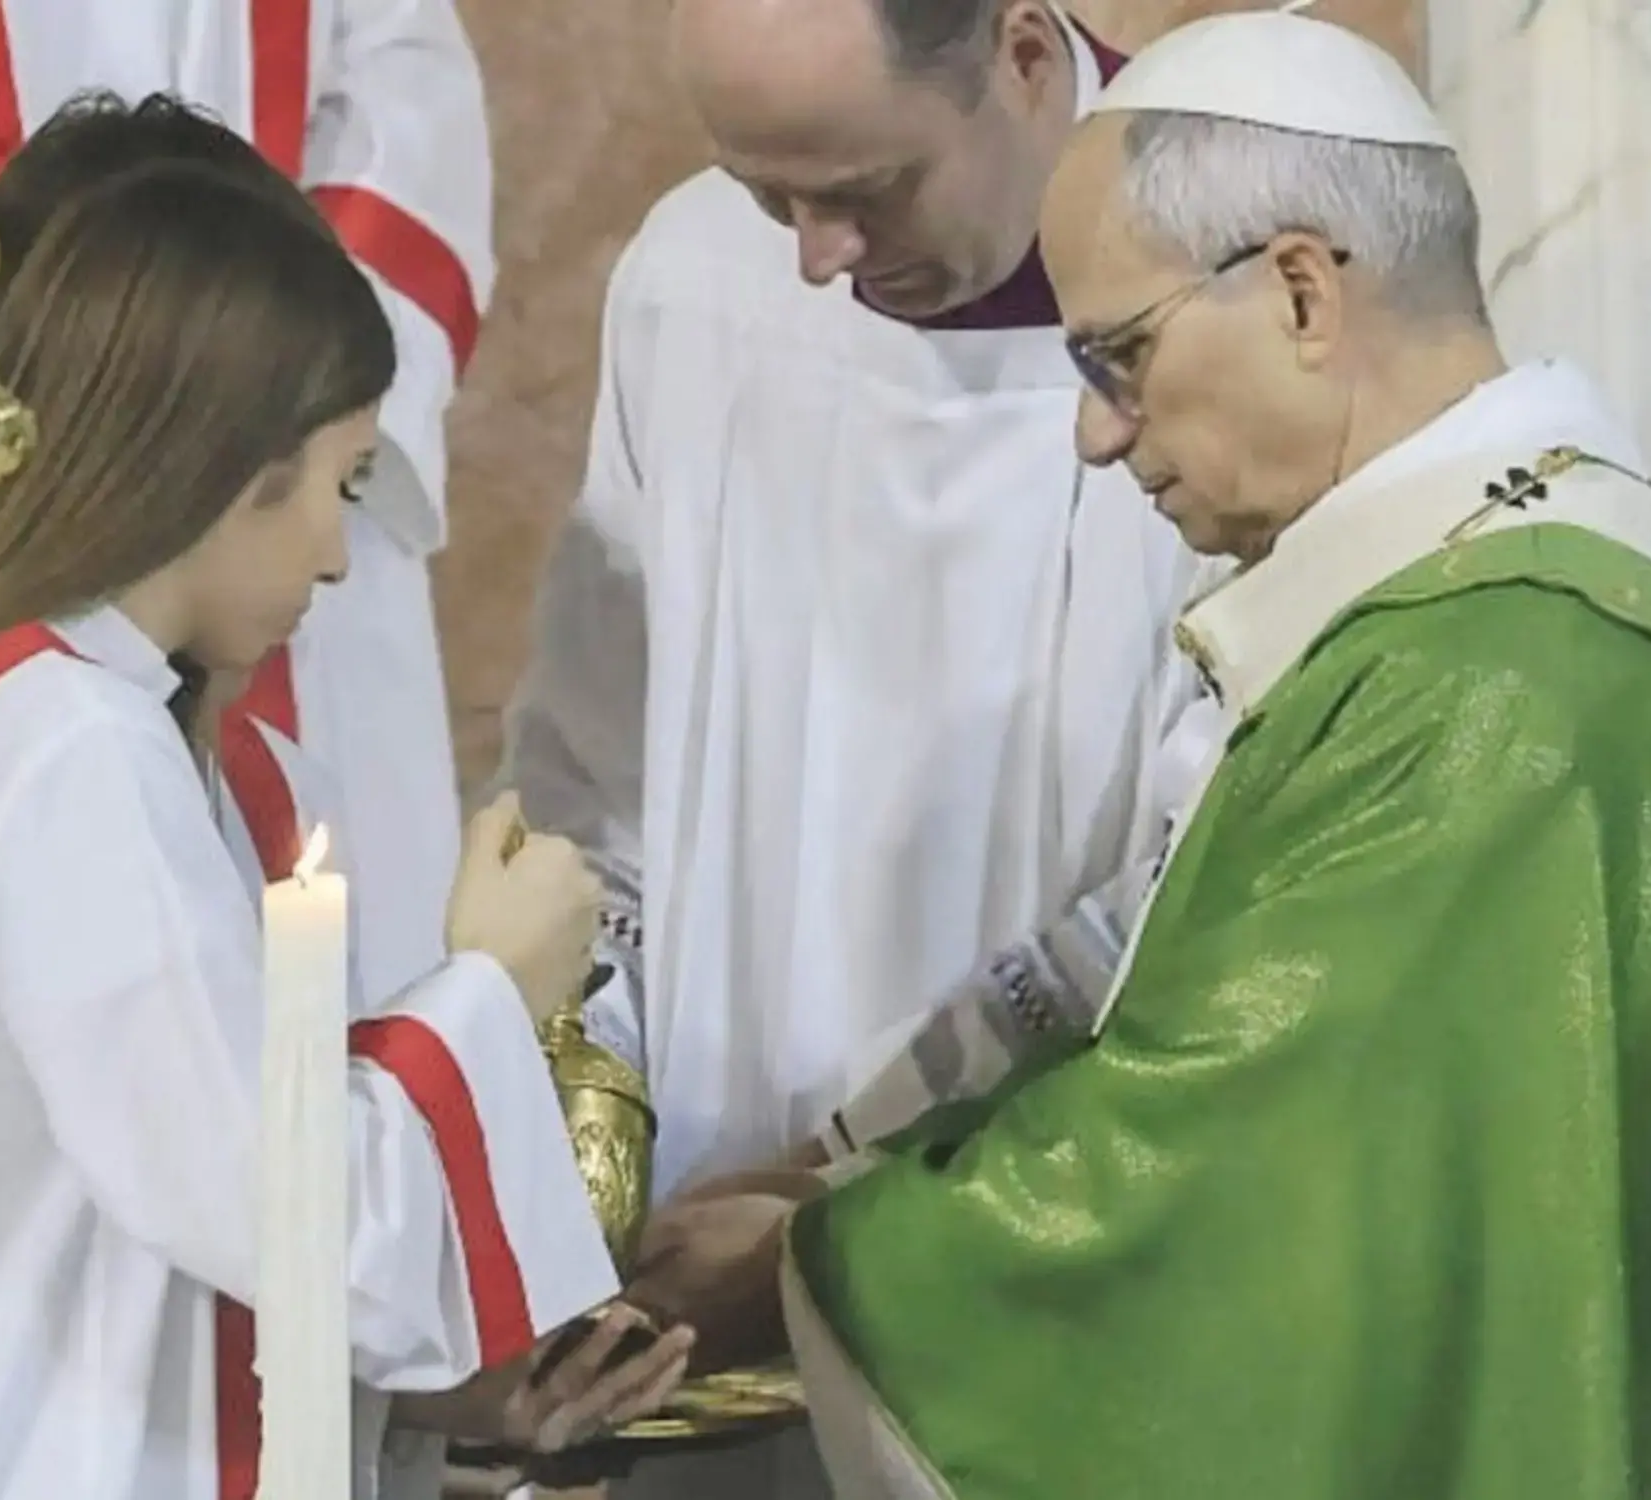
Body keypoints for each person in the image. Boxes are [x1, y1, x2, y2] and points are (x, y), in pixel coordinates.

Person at [632, 13, 1651, 1499]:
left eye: (1121, 357)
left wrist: (820, 1259)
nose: (1094, 433)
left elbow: (1201, 1187)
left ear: (1305, 295)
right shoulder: (1518, 604)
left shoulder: (1492, 675)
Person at [0, 161, 690, 1500]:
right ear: (221, 470)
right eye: (338, 489)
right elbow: (282, 1219)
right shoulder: (78, 754)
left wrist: (437, 1408)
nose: (340, 561)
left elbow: (122, 1231)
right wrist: (493, 989)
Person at [495, 3, 1214, 1490]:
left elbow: (1213, 892)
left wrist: (837, 1206)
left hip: (1051, 1270)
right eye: (773, 197)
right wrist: (594, 1145)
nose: (816, 257)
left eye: (864, 192)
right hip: (702, 1281)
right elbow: (595, 786)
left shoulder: (1222, 303)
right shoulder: (697, 281)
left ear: (1021, 55)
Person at [0, 0, 490, 1008]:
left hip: (274, 479)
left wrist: (271, 413)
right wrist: (64, 502)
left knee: (321, 1015)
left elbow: (404, 104)